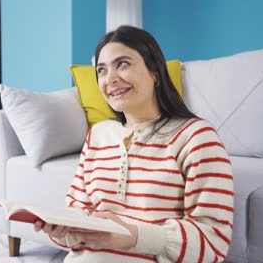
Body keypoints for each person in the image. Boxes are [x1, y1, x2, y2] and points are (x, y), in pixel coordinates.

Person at [34, 25, 234, 263]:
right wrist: (63, 230)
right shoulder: (98, 135)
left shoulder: (196, 137)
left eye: (123, 64)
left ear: (156, 72)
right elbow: (78, 215)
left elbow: (213, 243)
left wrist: (133, 236)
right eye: (102, 70)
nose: (111, 79)